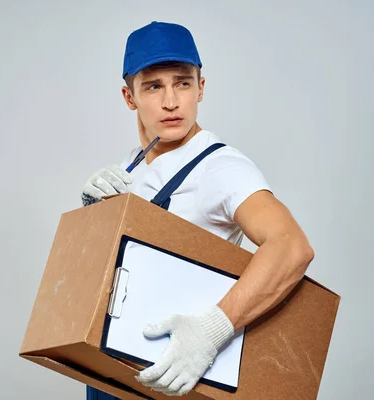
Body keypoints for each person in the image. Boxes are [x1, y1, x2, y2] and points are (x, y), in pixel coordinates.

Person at [81, 21, 314, 399]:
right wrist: (93, 216)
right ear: (129, 96)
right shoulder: (130, 166)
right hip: (110, 370)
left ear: (200, 88)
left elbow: (291, 246)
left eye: (183, 83)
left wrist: (212, 331)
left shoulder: (220, 168)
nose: (171, 101)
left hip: (176, 372)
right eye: (154, 86)